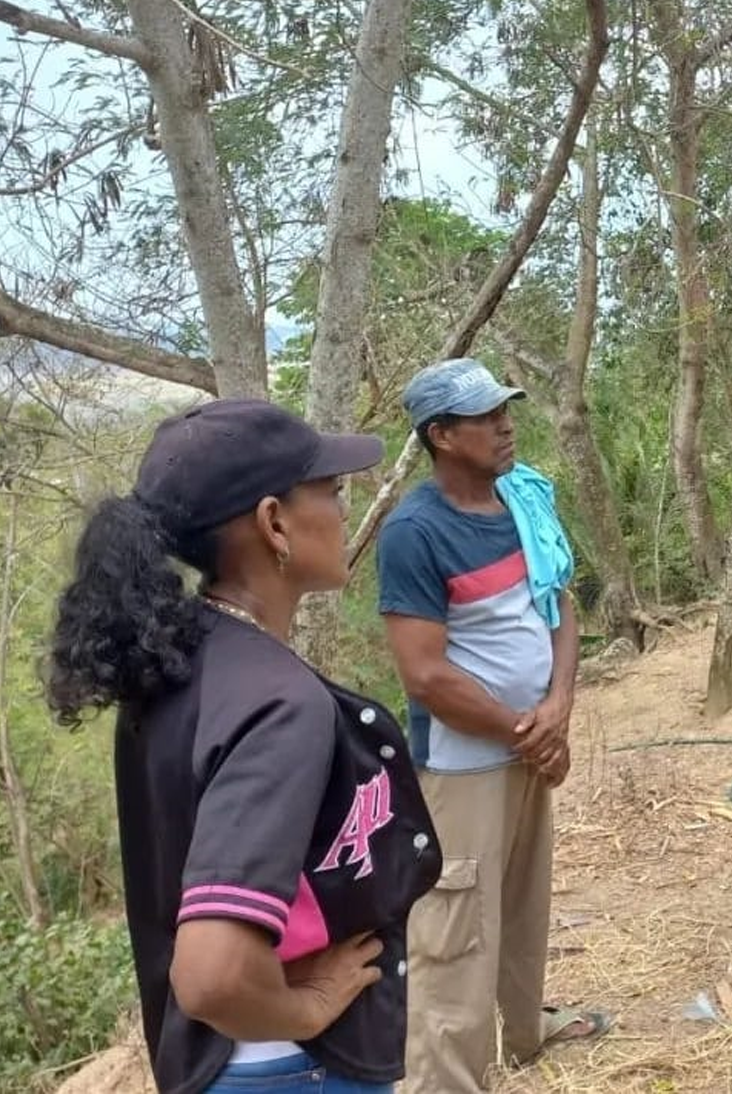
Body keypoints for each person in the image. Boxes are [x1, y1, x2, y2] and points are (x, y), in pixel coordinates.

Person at [45, 399, 441, 1094]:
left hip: (210, 1065)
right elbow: (214, 970)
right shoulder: (280, 706)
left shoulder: (176, 662)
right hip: (290, 1069)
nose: (343, 511)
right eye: (330, 490)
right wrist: (306, 1006)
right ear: (274, 522)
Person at [378, 358, 608, 1094]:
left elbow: (559, 602)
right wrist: (526, 729)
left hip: (529, 744)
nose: (505, 425)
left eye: (504, 411)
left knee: (521, 900)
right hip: (464, 766)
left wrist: (559, 708)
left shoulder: (522, 500)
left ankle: (526, 1034)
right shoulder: (415, 532)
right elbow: (426, 675)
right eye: (484, 417)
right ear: (441, 435)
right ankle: (444, 1079)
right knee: (455, 935)